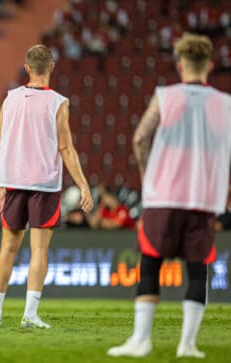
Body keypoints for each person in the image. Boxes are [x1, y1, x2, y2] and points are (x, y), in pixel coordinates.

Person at [107, 33, 231, 359]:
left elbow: (139, 139)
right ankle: (188, 345)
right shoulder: (225, 103)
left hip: (163, 196)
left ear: (180, 65)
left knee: (150, 265)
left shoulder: (166, 96)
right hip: (202, 198)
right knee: (198, 270)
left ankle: (141, 341)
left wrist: (150, 177)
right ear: (210, 65)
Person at [0, 45, 93, 329]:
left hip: (12, 181)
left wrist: (0, 184)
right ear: (52, 67)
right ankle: (29, 314)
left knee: (7, 249)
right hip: (44, 184)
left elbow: (0, 144)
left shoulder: (9, 99)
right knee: (39, 252)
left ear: (27, 66)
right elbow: (66, 147)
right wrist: (83, 185)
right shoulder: (58, 102)